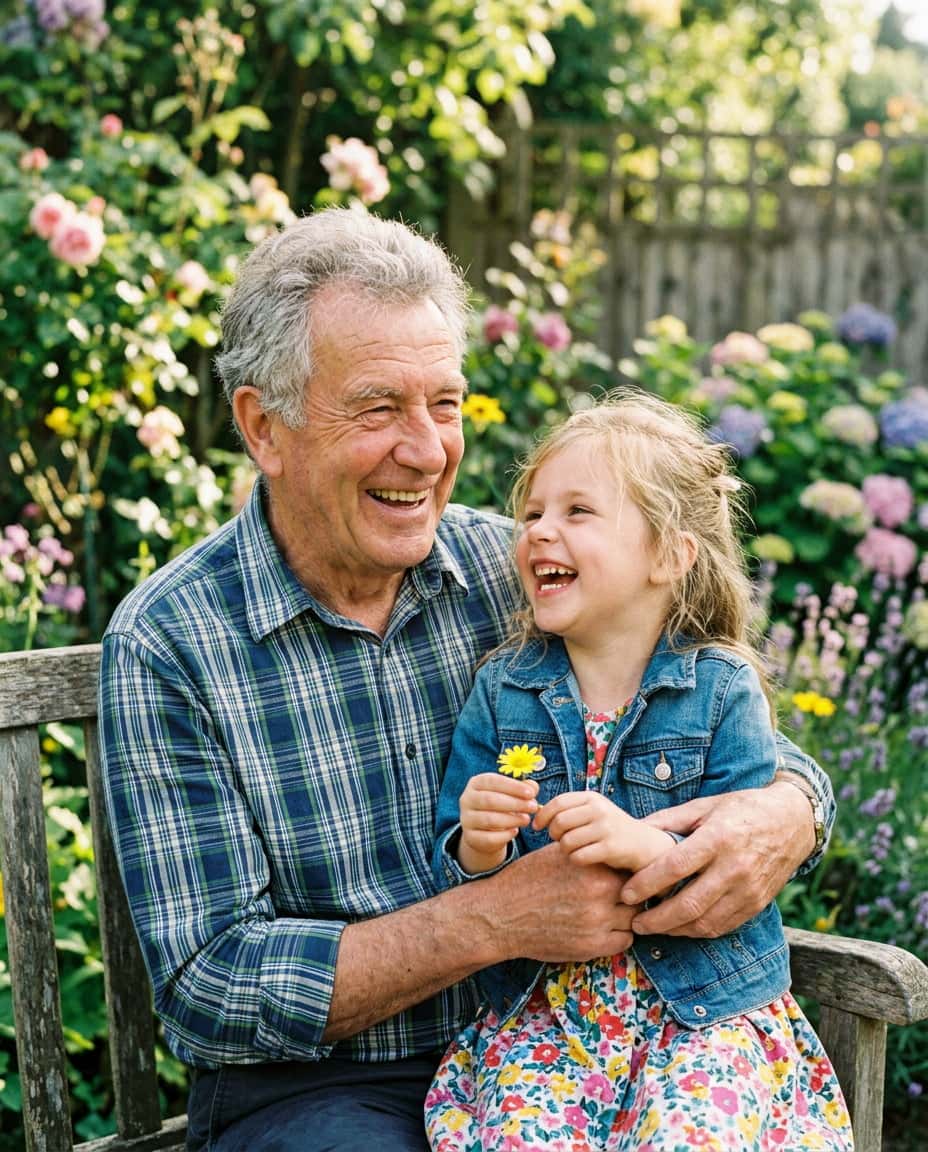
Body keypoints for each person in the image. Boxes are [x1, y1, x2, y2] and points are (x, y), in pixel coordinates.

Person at [97, 207, 836, 1152]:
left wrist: (786, 812)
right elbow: (210, 989)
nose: (427, 449)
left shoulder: (522, 573)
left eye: (443, 404)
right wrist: (492, 920)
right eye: (378, 408)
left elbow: (709, 715)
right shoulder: (173, 642)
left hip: (571, 1050)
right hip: (324, 1095)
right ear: (263, 428)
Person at [425, 392, 853, 1152]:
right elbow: (459, 864)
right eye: (533, 513)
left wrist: (639, 844)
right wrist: (480, 843)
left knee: (693, 1135)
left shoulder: (721, 690)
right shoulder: (503, 688)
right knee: (524, 1137)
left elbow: (740, 876)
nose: (540, 531)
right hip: (548, 1020)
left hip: (700, 1017)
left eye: (579, 511)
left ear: (669, 555)